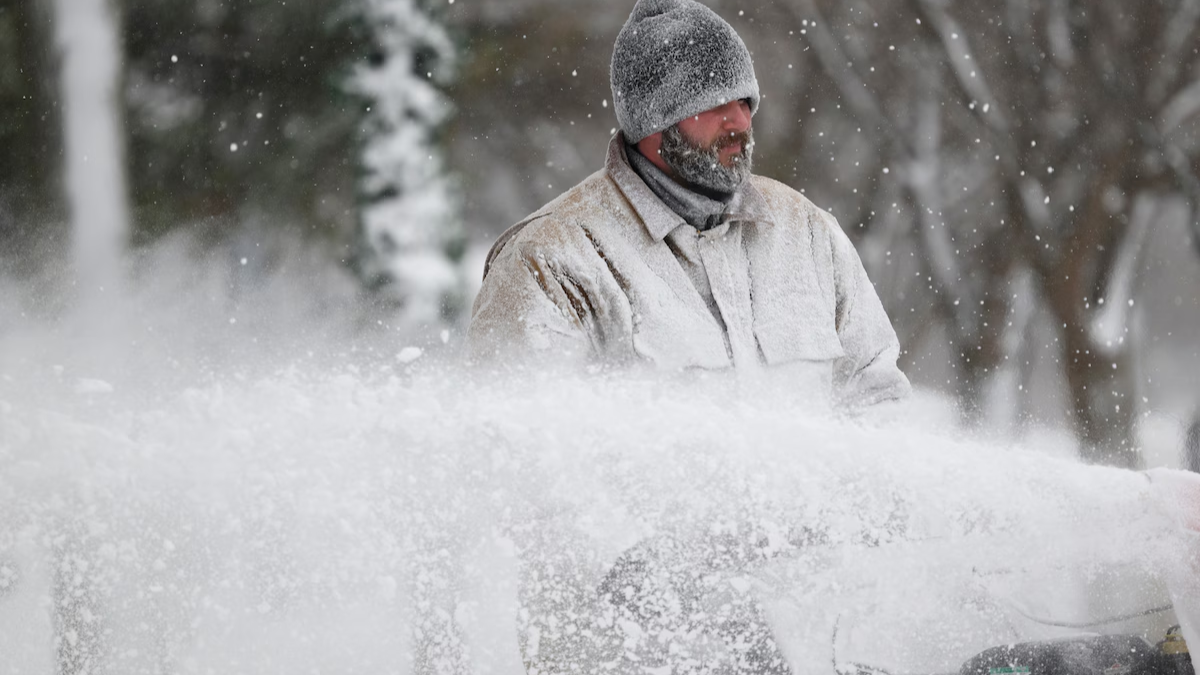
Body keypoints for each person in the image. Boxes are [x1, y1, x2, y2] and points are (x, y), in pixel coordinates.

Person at [466, 0, 910, 409]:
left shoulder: (807, 232)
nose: (740, 121)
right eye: (715, 103)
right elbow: (525, 452)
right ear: (653, 121)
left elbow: (877, 401)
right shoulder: (552, 262)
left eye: (743, 101)